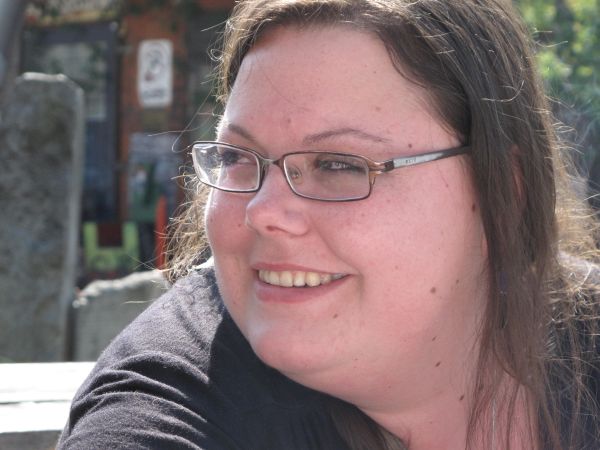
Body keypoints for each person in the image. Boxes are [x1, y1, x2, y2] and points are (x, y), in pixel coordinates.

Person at [58, 1, 600, 449]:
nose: (262, 212)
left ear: (501, 193)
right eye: (238, 156)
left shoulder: (586, 339)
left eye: (339, 165)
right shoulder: (163, 409)